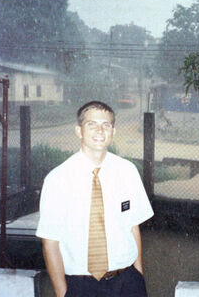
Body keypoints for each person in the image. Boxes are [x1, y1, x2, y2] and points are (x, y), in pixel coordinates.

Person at [36, 101, 154, 297]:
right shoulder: (58, 179)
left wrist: (138, 275)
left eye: (106, 125)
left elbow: (133, 226)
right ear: (79, 130)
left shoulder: (127, 171)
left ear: (113, 131)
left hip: (127, 281)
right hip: (82, 285)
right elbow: (50, 242)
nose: (100, 130)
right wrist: (61, 292)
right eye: (91, 124)